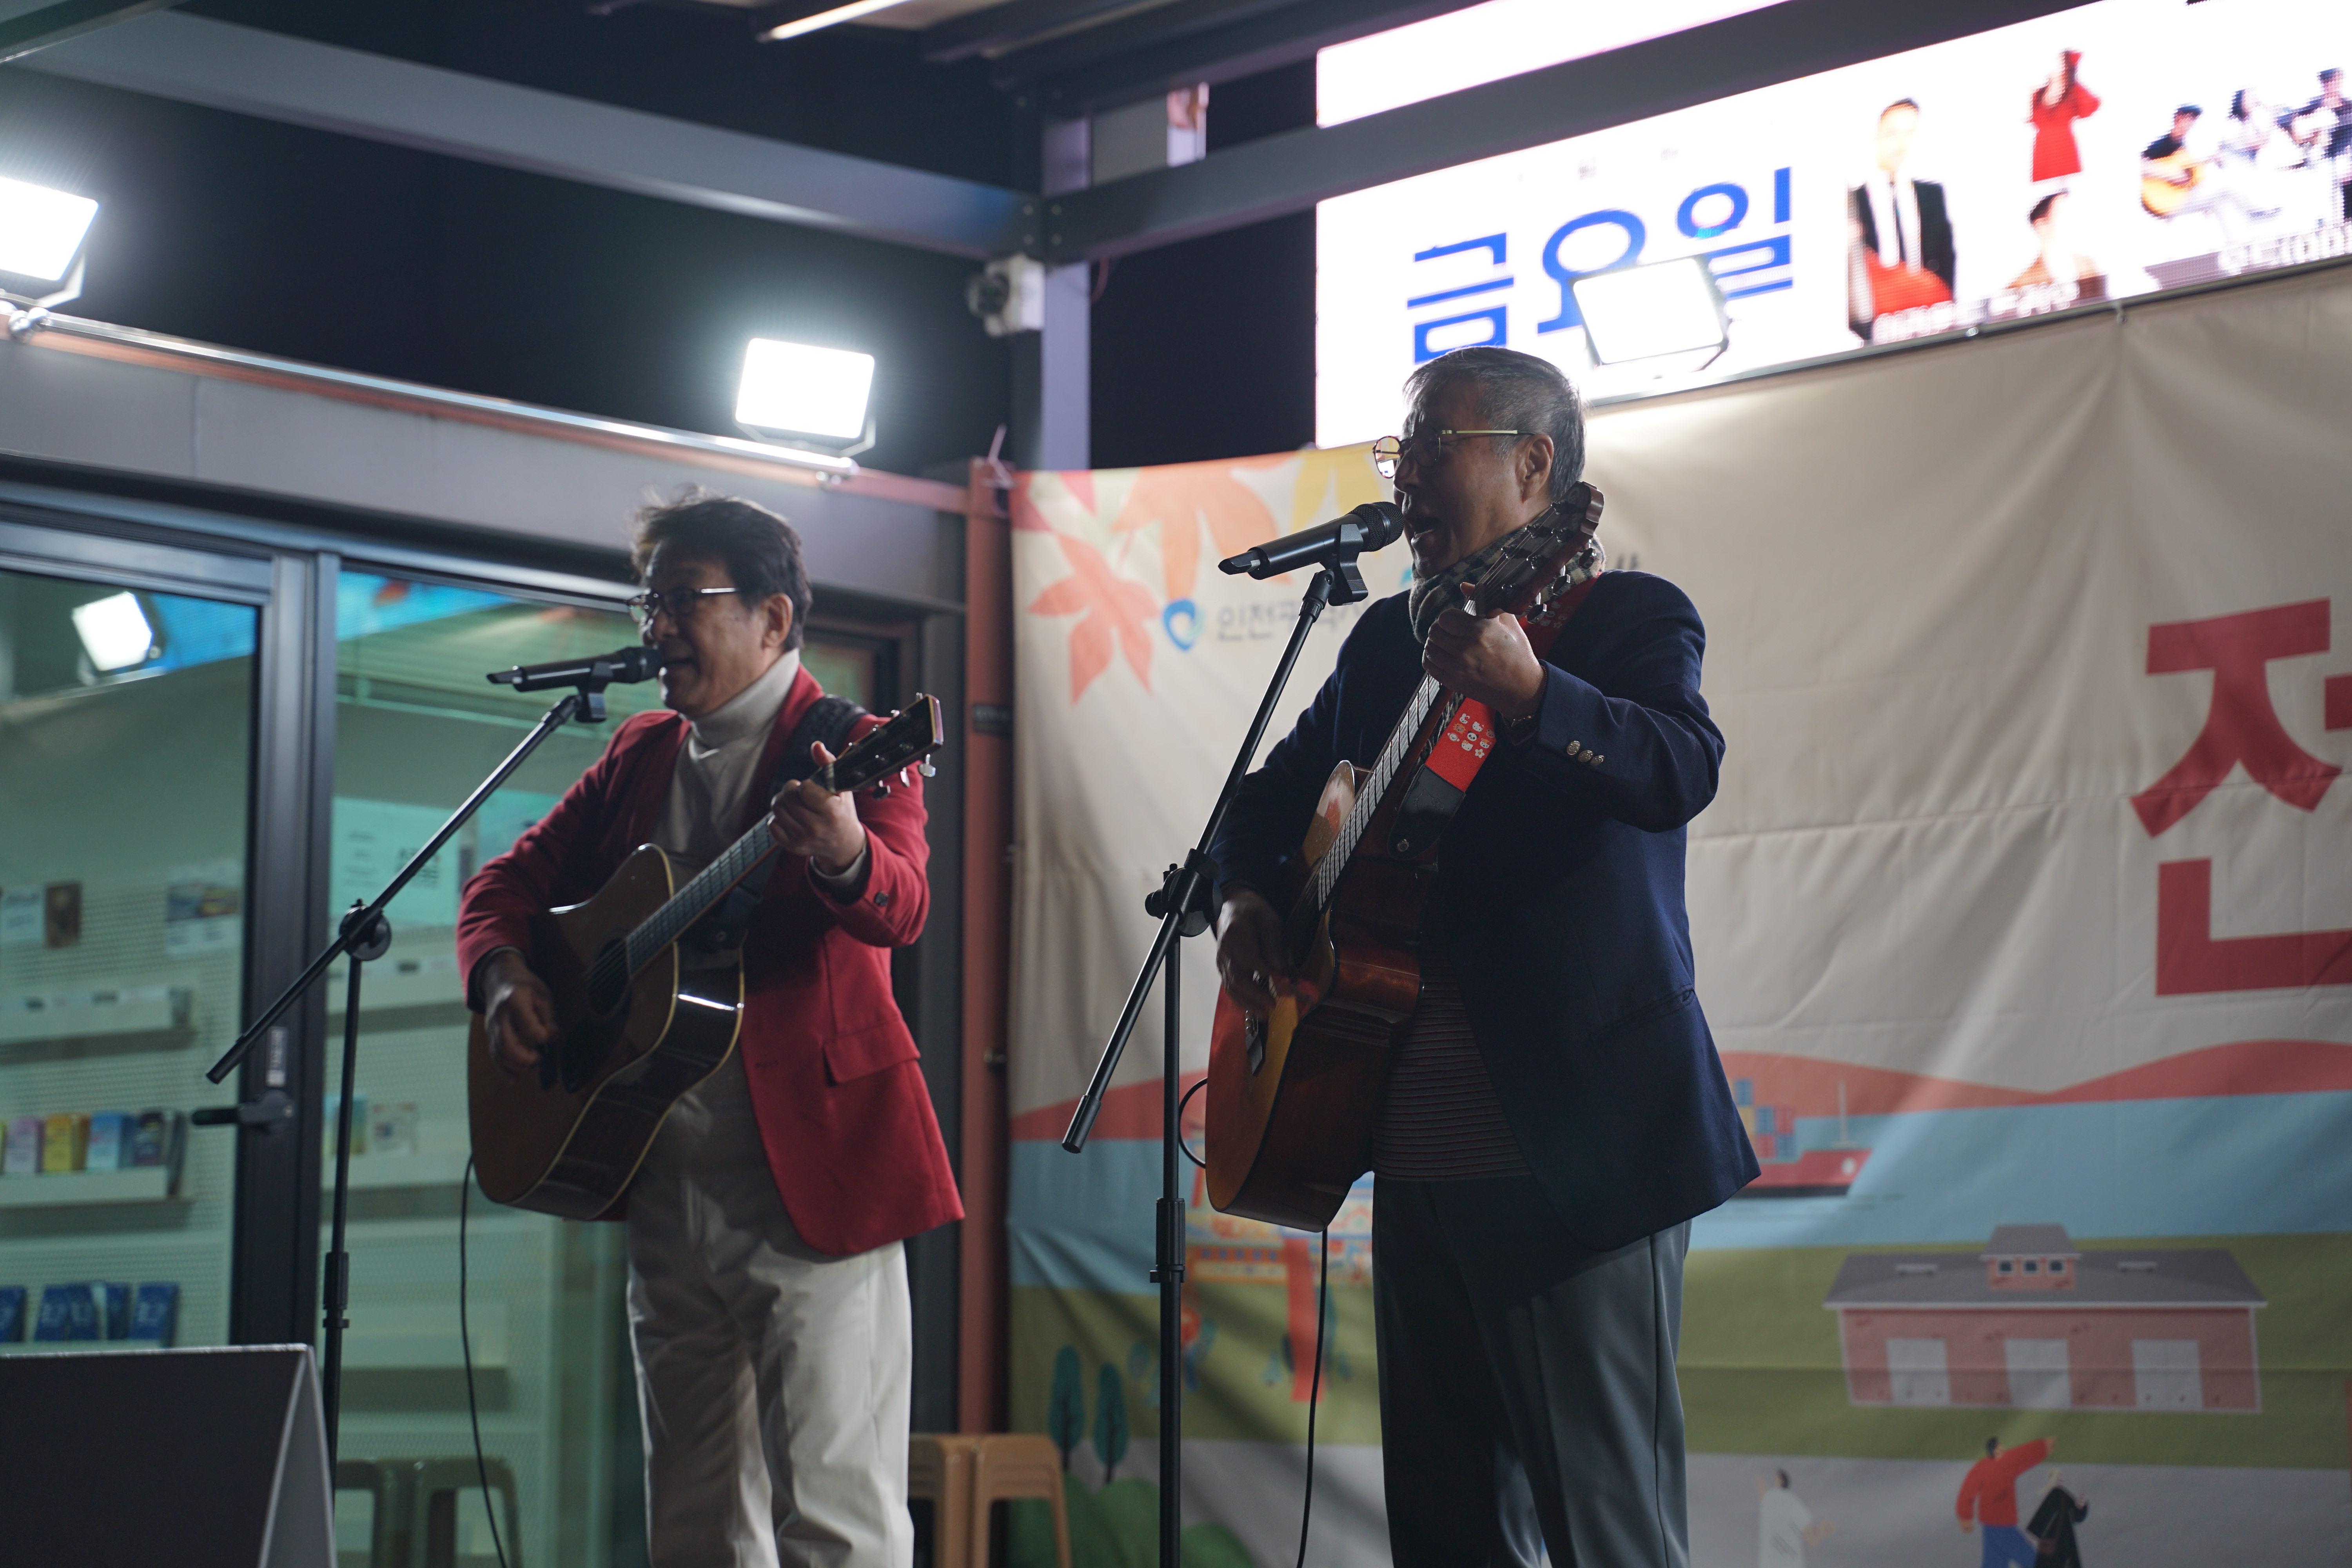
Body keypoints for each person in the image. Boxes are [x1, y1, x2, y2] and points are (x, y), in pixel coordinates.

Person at [1210, 345, 1756, 1568]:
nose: (1403, 475)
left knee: (1606, 1532)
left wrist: (1536, 694)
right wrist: (1246, 900)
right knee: (1446, 1538)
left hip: (1579, 1157)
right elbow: (1256, 806)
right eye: (1399, 451)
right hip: (1413, 1156)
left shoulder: (1624, 616)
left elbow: (1681, 766)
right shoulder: (1380, 647)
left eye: (1432, 446)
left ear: (1531, 465)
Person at [457, 492, 961, 1568]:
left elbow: (906, 903)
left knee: (837, 1519)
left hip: (817, 1183)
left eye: (685, 599)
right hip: (662, 1176)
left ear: (773, 619)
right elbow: (505, 884)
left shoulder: (857, 746)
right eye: (649, 603)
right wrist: (502, 976)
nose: (657, 627)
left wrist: (843, 851)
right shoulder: (642, 752)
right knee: (693, 1525)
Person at [1849, 98, 1957, 336]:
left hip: (1929, 320)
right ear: (1876, 135)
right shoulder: (1851, 202)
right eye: (1892, 133)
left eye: (1909, 134)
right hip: (1875, 328)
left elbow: (1946, 260)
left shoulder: (1932, 195)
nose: (1900, 144)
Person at [2142, 105, 2254, 239]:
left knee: (2223, 199)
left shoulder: (2182, 146)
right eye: (2187, 118)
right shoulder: (2163, 144)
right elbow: (2141, 166)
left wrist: (2200, 168)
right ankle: (2257, 208)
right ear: (2178, 118)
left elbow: (2189, 177)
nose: (2190, 123)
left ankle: (2239, 244)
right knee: (2223, 184)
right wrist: (2170, 175)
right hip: (2162, 202)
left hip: (2177, 198)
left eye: (2193, 119)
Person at [1957, 1435, 2054, 1568]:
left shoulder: (1982, 1466)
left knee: (1995, 1562)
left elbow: (1968, 1489)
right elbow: (2022, 1455)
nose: (2001, 1449)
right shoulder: (2005, 1462)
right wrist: (2042, 1447)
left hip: (1990, 1525)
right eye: (1999, 1448)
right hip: (2002, 1526)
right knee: (2030, 1558)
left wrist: (1965, 1516)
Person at [2004, 191, 2107, 300]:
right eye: (2063, 216)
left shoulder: (2089, 267)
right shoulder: (2020, 286)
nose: (2072, 223)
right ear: (2041, 225)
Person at [2028, 50, 2101, 184]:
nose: (2053, 63)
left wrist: (2071, 81)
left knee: (2065, 188)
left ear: (2066, 66)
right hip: (2042, 149)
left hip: (2064, 147)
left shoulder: (2074, 91)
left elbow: (2090, 108)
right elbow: (2026, 119)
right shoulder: (2037, 93)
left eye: (2058, 60)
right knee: (2045, 190)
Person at [2290, 67, 2352, 220]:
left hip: (2345, 159)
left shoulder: (2348, 107)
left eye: (2336, 80)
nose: (2333, 85)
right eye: (2329, 81)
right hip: (2320, 162)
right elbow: (2297, 134)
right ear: (2323, 83)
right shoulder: (2312, 109)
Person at [1757, 1470, 1833, 1568]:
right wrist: (1824, 1530)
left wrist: (1823, 1531)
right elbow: (1812, 1539)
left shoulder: (1773, 1499)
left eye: (1776, 1479)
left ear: (1781, 1481)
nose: (1773, 1480)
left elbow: (1811, 1539)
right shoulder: (1792, 1502)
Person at [2025, 1470, 2091, 1568]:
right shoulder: (2057, 1494)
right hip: (2061, 1544)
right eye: (2057, 1478)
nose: (2061, 1480)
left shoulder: (2059, 1494)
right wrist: (2081, 1507)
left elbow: (2076, 1516)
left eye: (2060, 1478)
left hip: (2056, 1543)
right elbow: (2077, 1516)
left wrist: (2034, 1534)